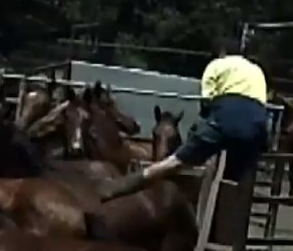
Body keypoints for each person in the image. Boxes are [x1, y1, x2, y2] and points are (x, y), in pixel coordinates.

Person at [98, 36, 269, 202]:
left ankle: (118, 187)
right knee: (238, 175)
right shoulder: (257, 70)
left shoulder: (217, 65)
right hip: (257, 127)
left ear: (222, 52)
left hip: (225, 119)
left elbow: (206, 104)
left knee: (174, 163)